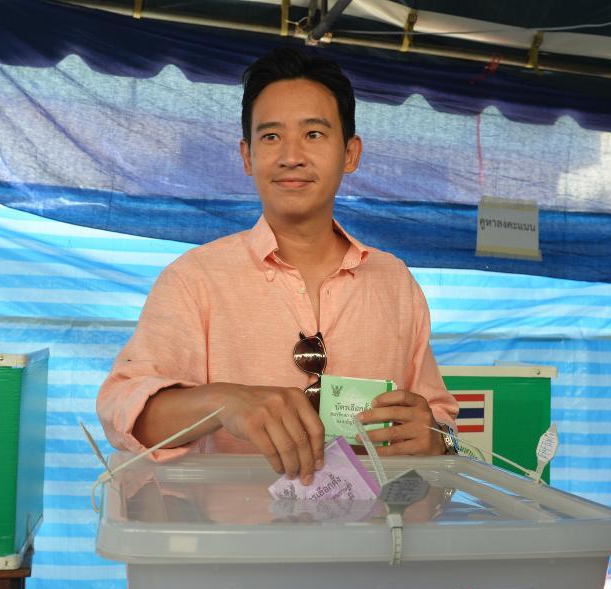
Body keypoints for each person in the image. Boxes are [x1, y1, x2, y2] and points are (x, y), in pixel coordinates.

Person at [97, 47, 458, 486]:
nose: (291, 156)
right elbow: (123, 410)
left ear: (350, 153)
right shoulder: (195, 279)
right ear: (247, 156)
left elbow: (440, 421)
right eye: (270, 137)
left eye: (313, 134)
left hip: (369, 529)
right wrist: (223, 402)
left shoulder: (394, 282)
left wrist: (436, 438)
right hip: (234, 529)